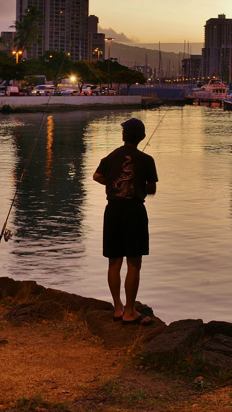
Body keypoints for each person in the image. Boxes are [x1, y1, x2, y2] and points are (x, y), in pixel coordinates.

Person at [93, 117, 158, 326]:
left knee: (114, 262)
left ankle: (117, 307)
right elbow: (152, 189)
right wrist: (137, 185)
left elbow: (96, 176)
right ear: (142, 138)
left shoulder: (112, 156)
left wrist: (111, 182)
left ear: (123, 135)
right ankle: (130, 311)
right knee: (134, 263)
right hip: (134, 211)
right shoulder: (147, 160)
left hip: (112, 211)